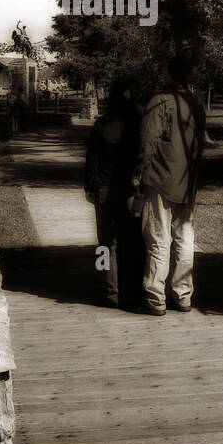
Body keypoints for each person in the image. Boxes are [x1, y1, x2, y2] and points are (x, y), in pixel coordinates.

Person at [132, 53, 206, 316]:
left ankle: (155, 297)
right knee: (185, 238)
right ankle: (183, 295)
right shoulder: (196, 102)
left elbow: (147, 140)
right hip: (188, 183)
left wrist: (138, 173)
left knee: (158, 239)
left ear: (168, 73)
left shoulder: (160, 101)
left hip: (161, 180)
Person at [84, 77, 143, 308]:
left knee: (104, 243)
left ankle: (108, 290)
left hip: (104, 189)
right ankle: (131, 291)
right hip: (132, 190)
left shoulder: (103, 124)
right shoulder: (140, 123)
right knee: (132, 241)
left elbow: (93, 160)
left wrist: (89, 187)